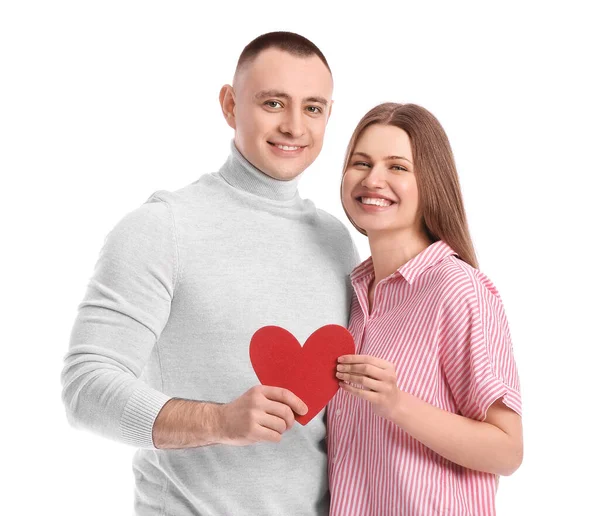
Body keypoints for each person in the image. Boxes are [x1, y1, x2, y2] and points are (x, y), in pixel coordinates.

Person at [61, 32, 359, 515]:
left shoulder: (338, 241)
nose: (292, 126)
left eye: (312, 108)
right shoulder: (163, 227)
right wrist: (218, 421)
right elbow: (85, 388)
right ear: (229, 104)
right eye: (273, 102)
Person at [327, 103, 523, 515]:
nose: (373, 179)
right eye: (361, 162)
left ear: (430, 182)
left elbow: (507, 450)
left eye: (397, 167)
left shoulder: (457, 288)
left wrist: (397, 403)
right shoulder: (356, 296)